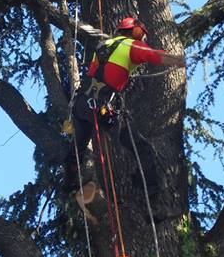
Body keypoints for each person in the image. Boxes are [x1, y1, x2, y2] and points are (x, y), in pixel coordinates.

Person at [63, 16, 186, 192]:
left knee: (78, 147)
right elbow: (156, 56)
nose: (143, 39)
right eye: (142, 35)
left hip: (82, 104)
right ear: (136, 32)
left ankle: (69, 180)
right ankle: (150, 188)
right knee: (141, 146)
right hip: (101, 107)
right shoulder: (133, 45)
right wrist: (179, 60)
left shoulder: (104, 44)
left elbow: (99, 71)